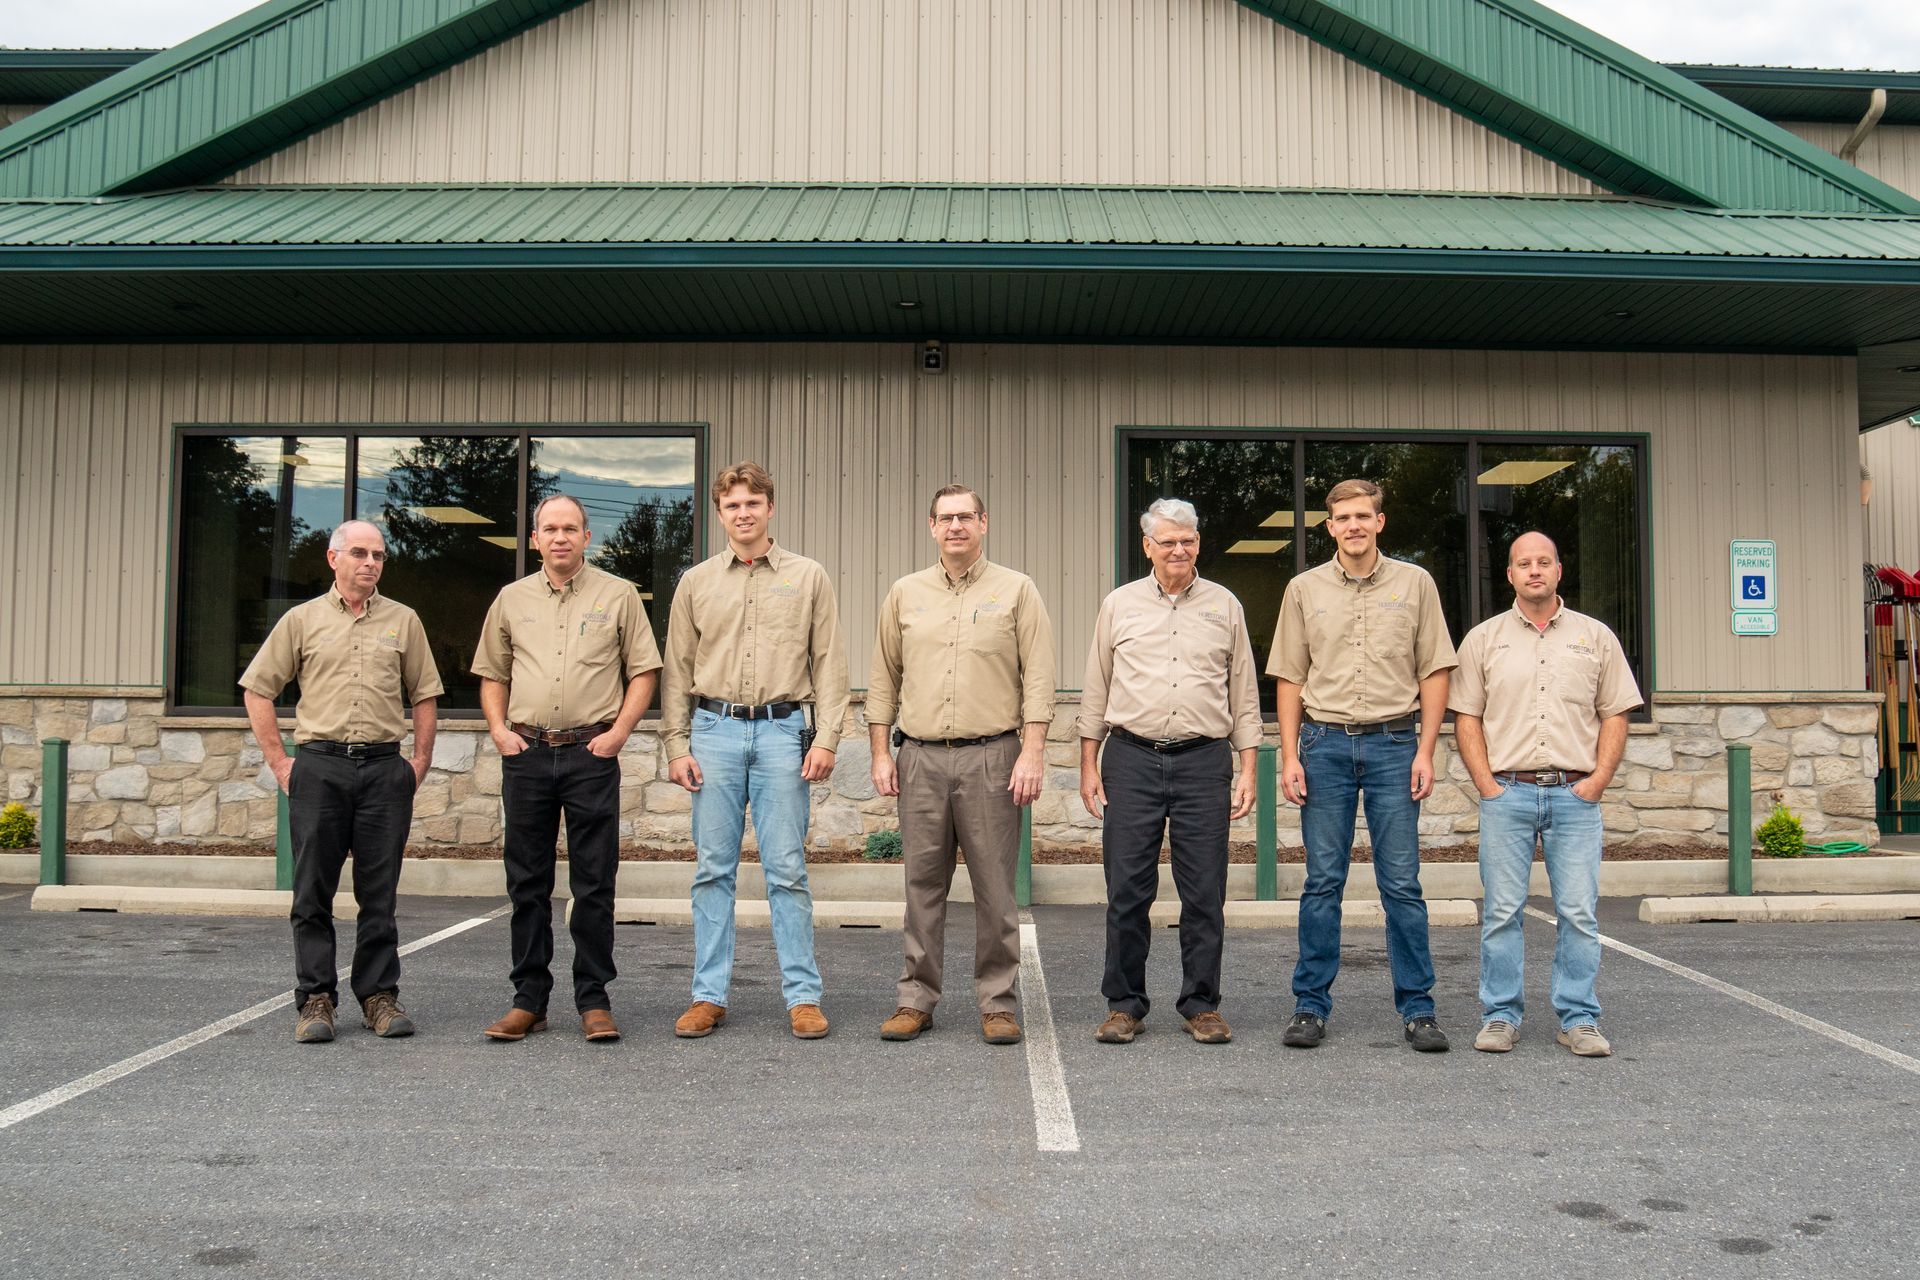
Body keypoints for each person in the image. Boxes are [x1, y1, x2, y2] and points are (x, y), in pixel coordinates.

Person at [662, 461, 849, 1041]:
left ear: (770, 508)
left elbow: (829, 662)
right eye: (732, 505)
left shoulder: (808, 576)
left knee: (787, 870)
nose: (743, 513)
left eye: (752, 503)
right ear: (720, 514)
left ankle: (803, 997)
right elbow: (677, 669)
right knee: (712, 870)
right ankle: (708, 995)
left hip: (781, 733)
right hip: (713, 732)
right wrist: (675, 744)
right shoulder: (696, 582)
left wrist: (827, 737)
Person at [1268, 478, 1457, 1053]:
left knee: (1400, 882)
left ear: (1380, 522)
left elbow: (1434, 670)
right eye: (1343, 518)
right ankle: (1310, 1006)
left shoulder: (1415, 584)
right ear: (1330, 528)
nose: (1353, 525)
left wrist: (1426, 750)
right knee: (1322, 881)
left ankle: (1418, 1009)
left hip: (1394, 746)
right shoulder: (1303, 589)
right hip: (1323, 745)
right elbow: (1290, 676)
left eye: (1362, 516)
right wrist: (1290, 755)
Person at [240, 519, 442, 1044]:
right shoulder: (301, 620)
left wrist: (418, 763)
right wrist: (280, 763)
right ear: (334, 559)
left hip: (383, 770)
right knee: (312, 891)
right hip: (319, 767)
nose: (370, 563)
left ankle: (378, 997)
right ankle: (316, 1000)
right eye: (359, 553)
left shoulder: (404, 620)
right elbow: (258, 690)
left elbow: (424, 694)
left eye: (378, 555)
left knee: (380, 894)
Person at [867, 484, 1056, 1046]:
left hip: (992, 757)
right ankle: (915, 1000)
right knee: (921, 886)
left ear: (983, 523)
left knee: (995, 889)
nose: (956, 526)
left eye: (966, 517)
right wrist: (880, 752)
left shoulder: (1017, 590)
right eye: (945, 518)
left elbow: (1039, 677)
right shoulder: (905, 593)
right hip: (920, 758)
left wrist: (1033, 751)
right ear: (931, 526)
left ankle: (997, 1004)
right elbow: (884, 678)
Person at [473, 494, 661, 1044]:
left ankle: (594, 1000)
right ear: (535, 539)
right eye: (550, 529)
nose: (560, 537)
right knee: (526, 883)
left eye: (570, 529)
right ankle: (528, 1001)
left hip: (590, 755)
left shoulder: (618, 595)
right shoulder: (511, 600)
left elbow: (643, 671)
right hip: (527, 754)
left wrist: (618, 734)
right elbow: (493, 673)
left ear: (586, 537)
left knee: (594, 882)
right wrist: (499, 730)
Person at [1450, 531, 1642, 1058]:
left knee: (1578, 913)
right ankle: (1500, 1017)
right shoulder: (1483, 640)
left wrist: (1597, 782)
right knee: (1501, 913)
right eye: (1523, 563)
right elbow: (1466, 716)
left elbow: (1615, 713)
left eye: (1543, 562)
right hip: (1507, 793)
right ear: (1510, 575)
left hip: (1574, 796)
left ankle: (1578, 1019)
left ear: (1559, 570)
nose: (1534, 570)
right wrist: (1486, 785)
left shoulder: (1595, 637)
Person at [1078, 498, 1261, 1046]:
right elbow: (1096, 686)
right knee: (1127, 891)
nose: (1178, 549)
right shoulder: (1119, 605)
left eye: (1188, 540)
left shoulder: (1224, 605)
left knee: (1204, 891)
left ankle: (1201, 1006)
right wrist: (1088, 764)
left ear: (1198, 544)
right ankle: (1124, 1005)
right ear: (1147, 547)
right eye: (1168, 541)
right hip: (1130, 759)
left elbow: (1244, 691)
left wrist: (1248, 768)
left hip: (1204, 761)